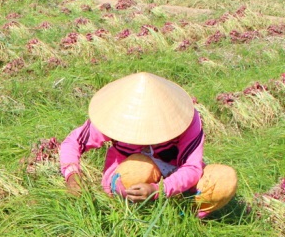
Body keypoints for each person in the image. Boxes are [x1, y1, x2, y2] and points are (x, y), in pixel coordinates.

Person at [59, 72, 237, 218]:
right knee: (138, 169)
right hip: (128, 176)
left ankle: (183, 216)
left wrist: (159, 189)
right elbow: (73, 142)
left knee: (224, 180)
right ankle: (139, 212)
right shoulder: (115, 116)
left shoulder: (187, 118)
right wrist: (72, 175)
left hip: (175, 173)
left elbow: (192, 167)